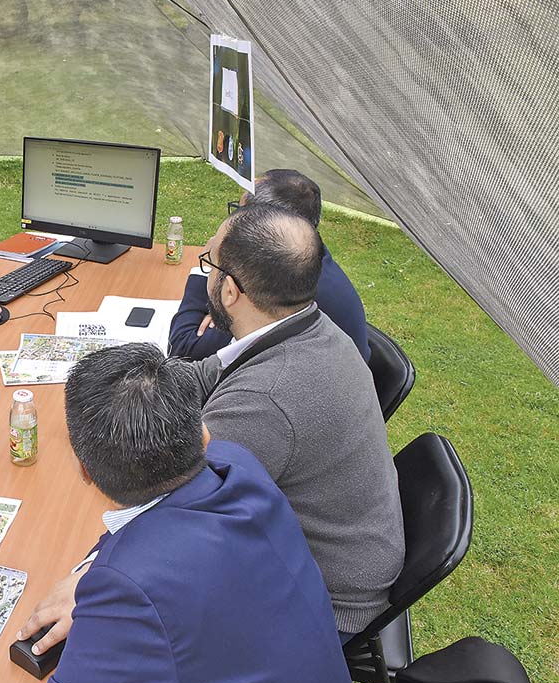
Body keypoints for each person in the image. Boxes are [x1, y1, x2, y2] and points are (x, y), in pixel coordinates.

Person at [20, 204, 402, 649]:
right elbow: (200, 375)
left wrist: (89, 579)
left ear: (231, 291)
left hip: (321, 602)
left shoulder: (264, 402)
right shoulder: (302, 327)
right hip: (328, 552)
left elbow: (176, 510)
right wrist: (119, 387)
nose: (205, 273)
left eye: (209, 264)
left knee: (117, 624)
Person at [10, 343, 369, 683]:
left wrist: (104, 595)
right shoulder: (236, 467)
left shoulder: (133, 596)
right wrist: (91, 575)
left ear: (85, 471)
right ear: (204, 435)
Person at [168, 169, 371, 362]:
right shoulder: (306, 259)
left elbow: (186, 348)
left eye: (239, 216)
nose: (231, 224)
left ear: (268, 227)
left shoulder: (276, 280)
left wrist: (212, 263)